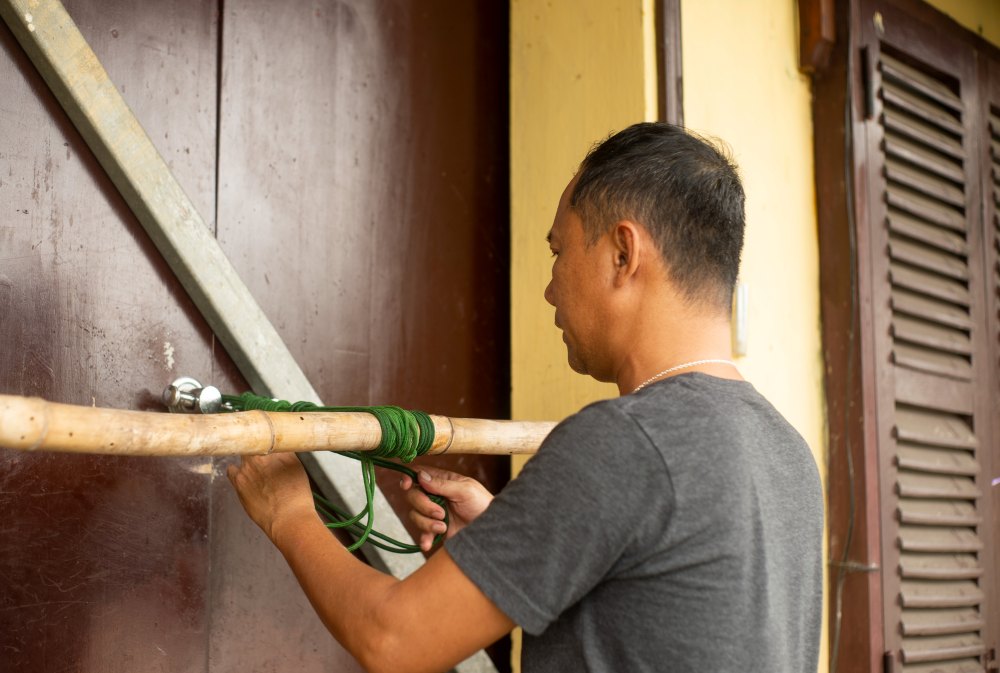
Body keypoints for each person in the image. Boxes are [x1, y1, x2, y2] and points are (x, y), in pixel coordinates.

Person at [227, 122, 824, 673]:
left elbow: (393, 639)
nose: (548, 288)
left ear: (623, 254)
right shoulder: (788, 453)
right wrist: (511, 539)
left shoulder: (624, 441)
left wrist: (290, 517)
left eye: (558, 251)